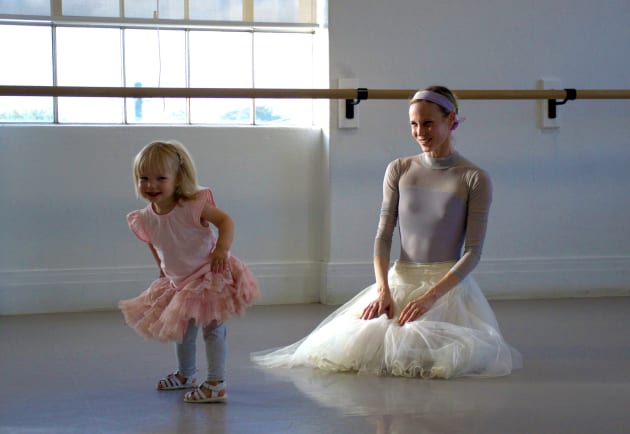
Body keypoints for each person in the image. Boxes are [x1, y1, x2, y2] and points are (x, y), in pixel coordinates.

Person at [251, 85, 522, 379]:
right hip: (398, 281)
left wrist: (431, 297)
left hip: (446, 289)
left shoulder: (474, 177)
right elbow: (383, 236)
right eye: (414, 124)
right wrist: (383, 289)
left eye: (428, 123)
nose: (420, 131)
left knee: (440, 354)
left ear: (450, 119)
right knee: (358, 346)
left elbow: (473, 252)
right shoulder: (399, 169)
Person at [119, 140, 260, 403]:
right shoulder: (145, 216)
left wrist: (221, 248)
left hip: (209, 274)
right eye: (143, 178)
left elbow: (225, 221)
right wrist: (161, 268)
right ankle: (186, 374)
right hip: (180, 281)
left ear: (178, 178)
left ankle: (216, 382)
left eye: (161, 178)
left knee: (213, 328)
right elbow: (153, 240)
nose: (151, 185)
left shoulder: (193, 205)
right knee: (183, 329)